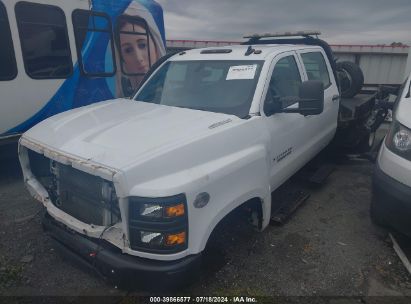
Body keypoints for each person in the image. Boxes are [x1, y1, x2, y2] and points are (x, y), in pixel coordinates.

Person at [115, 1, 166, 97]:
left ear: (155, 45)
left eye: (142, 45)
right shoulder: (122, 97)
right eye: (128, 50)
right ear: (121, 59)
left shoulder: (166, 95)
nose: (139, 58)